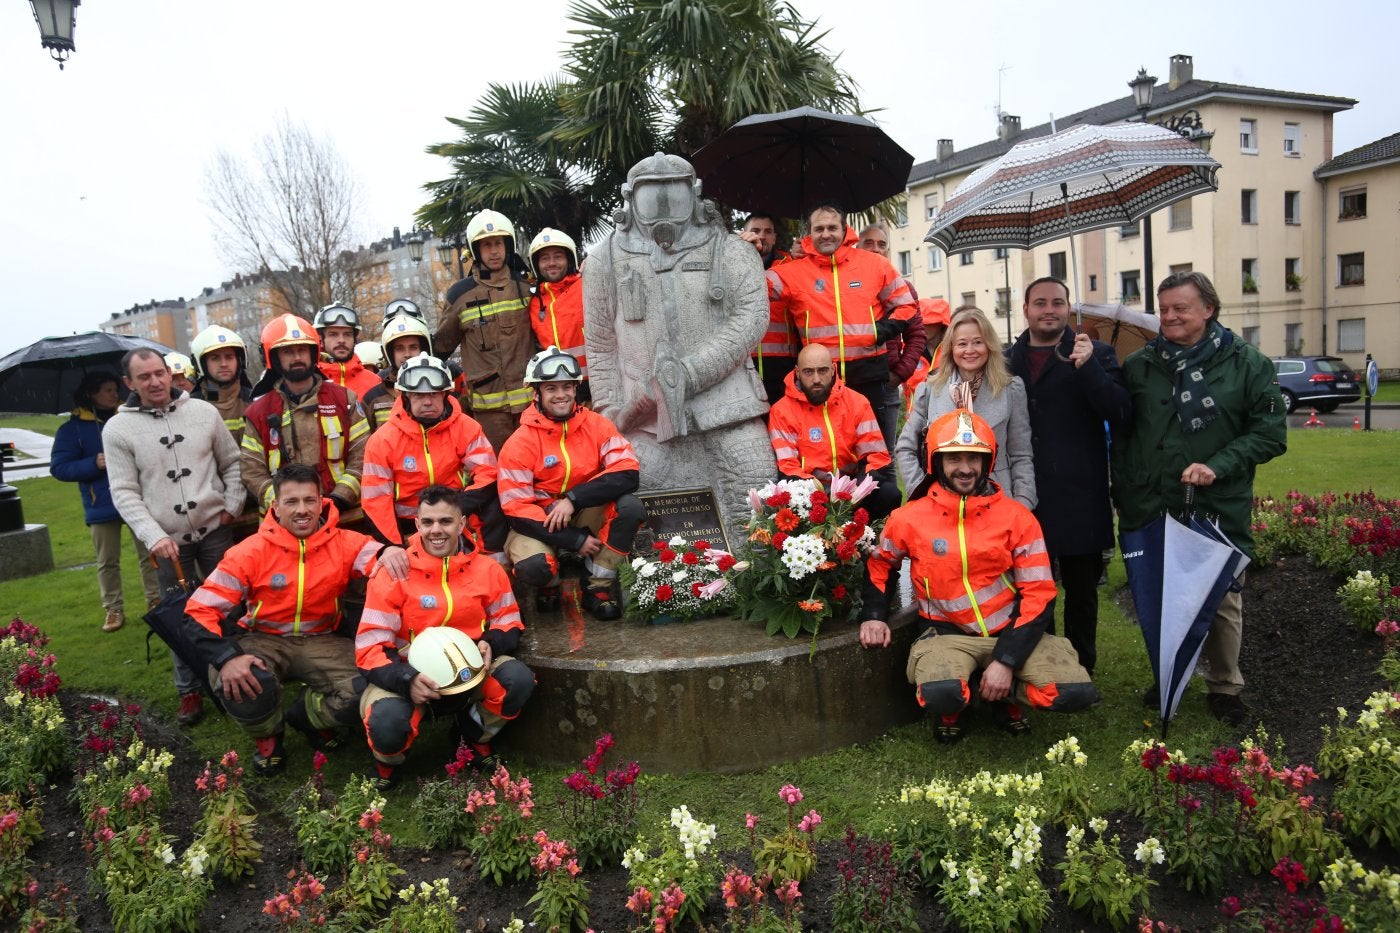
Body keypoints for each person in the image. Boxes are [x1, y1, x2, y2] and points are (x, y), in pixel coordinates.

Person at [859, 409, 1099, 743]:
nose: (966, 468)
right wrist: (874, 616)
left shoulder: (1017, 517)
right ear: (936, 461)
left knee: (1074, 693)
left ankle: (1001, 689)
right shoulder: (908, 518)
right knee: (941, 692)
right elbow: (882, 563)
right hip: (946, 633)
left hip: (1010, 632)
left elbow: (1039, 593)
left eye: (975, 458)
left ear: (988, 461)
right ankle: (958, 701)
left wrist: (1006, 660)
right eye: (954, 458)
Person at [1112, 271, 1286, 726]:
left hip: (1216, 504)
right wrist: (1127, 485)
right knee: (1160, 594)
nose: (1168, 317)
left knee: (1222, 597)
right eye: (1163, 308)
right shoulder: (1141, 365)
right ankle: (1171, 672)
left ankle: (1224, 685)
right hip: (1152, 502)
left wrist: (1219, 464)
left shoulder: (1247, 364)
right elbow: (1124, 432)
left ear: (1208, 309)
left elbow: (1270, 435)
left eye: (1180, 308)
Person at [582, 152, 776, 535]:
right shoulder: (604, 259)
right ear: (630, 198)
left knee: (754, 493)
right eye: (653, 199)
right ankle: (663, 588)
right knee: (643, 504)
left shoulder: (731, 250)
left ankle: (750, 590)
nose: (666, 211)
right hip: (642, 417)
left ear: (695, 194)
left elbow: (750, 319)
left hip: (728, 407)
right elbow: (601, 344)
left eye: (675, 196)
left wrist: (690, 372)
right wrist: (609, 408)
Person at [182, 464, 409, 775]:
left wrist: (390, 553)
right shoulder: (249, 551)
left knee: (369, 684)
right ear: (275, 506)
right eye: (291, 502)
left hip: (322, 639)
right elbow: (198, 612)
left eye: (309, 500)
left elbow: (379, 559)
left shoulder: (345, 542)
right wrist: (227, 658)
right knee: (245, 680)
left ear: (322, 502)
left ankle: (306, 714)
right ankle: (268, 738)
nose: (302, 510)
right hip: (262, 639)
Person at [357, 485, 533, 788]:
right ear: (417, 524)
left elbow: (509, 622)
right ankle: (387, 764)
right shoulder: (393, 572)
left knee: (518, 680)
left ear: (462, 524)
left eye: (446, 522)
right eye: (427, 522)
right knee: (386, 724)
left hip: (470, 671)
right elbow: (369, 647)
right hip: (407, 677)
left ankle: (472, 735)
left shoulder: (488, 569)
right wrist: (407, 679)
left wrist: (491, 643)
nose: (435, 530)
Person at [104, 347, 243, 726]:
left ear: (170, 373)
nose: (155, 382)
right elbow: (124, 492)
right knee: (179, 616)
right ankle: (189, 691)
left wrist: (233, 500)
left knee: (229, 609)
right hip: (167, 541)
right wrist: (152, 536)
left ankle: (235, 682)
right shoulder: (117, 429)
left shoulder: (203, 412)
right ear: (129, 383)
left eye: (159, 373)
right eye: (144, 377)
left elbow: (232, 462)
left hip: (215, 529)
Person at [1006, 277, 1132, 675]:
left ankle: (1081, 668)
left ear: (1069, 309)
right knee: (1034, 590)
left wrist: (1089, 367)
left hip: (1080, 492)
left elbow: (1121, 412)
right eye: (1040, 303)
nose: (1049, 310)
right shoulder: (1005, 360)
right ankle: (1045, 666)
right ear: (1025, 309)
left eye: (1057, 303)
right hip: (1026, 494)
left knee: (1081, 591)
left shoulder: (1097, 354)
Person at [497, 348, 643, 618]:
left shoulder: (598, 425)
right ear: (536, 394)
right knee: (533, 566)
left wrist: (572, 499)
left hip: (584, 510)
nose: (561, 394)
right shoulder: (518, 443)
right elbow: (516, 510)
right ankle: (549, 585)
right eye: (551, 388)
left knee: (630, 508)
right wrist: (573, 540)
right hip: (539, 520)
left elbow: (628, 473)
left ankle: (597, 586)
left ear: (576, 389)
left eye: (567, 386)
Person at [767, 202, 917, 451]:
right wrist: (749, 251)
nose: (826, 234)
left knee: (875, 455)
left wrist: (882, 331)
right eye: (819, 228)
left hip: (868, 375)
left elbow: (907, 305)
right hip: (820, 379)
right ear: (809, 234)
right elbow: (752, 288)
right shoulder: (791, 272)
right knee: (825, 452)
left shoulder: (875, 264)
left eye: (832, 227)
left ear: (844, 230)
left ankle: (878, 492)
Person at [49, 371, 161, 633]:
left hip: (137, 499)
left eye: (115, 389)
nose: (114, 394)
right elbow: (60, 468)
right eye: (108, 390)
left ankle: (155, 600)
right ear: (92, 393)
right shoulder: (71, 429)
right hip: (101, 505)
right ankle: (113, 608)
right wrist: (93, 463)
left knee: (149, 552)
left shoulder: (128, 419)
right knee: (107, 560)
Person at [361, 353, 506, 553]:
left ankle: (488, 559)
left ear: (446, 394)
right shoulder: (382, 440)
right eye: (419, 395)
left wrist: (454, 507)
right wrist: (394, 547)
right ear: (405, 396)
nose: (428, 402)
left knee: (496, 498)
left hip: (454, 511)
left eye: (434, 394)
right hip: (408, 522)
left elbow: (487, 474)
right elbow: (376, 501)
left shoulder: (466, 427)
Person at [896, 306, 1036, 508]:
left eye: (978, 342)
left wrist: (1023, 504)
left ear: (989, 345)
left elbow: (1021, 455)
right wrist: (921, 493)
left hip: (998, 501)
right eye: (962, 344)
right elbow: (905, 447)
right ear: (951, 348)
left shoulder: (1011, 389)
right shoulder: (929, 390)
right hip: (942, 502)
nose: (970, 350)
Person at [242, 313, 371, 525]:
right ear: (273, 357)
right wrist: (286, 506)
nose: (297, 358)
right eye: (288, 352)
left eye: (302, 350)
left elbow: (364, 457)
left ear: (314, 352)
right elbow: (252, 471)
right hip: (284, 526)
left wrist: (338, 500)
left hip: (344, 520)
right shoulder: (259, 412)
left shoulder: (344, 400)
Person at [432, 209, 536, 453]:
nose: (494, 251)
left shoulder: (526, 286)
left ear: (507, 245)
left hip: (532, 407)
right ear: (476, 250)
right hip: (489, 414)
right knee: (495, 473)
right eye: (486, 245)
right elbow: (439, 350)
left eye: (498, 243)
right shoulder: (460, 295)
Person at [767, 343, 900, 522]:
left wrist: (855, 492)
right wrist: (820, 496)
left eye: (822, 371)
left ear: (833, 369)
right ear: (797, 372)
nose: (816, 379)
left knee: (889, 493)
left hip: (852, 489)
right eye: (808, 372)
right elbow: (788, 467)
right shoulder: (781, 411)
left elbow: (876, 457)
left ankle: (872, 543)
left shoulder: (858, 402)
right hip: (808, 493)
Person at [856, 222, 927, 445]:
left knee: (885, 456)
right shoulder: (845, 288)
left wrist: (899, 374)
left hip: (886, 383)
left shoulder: (902, 288)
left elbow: (917, 335)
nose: (876, 249)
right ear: (856, 248)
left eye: (882, 244)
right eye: (869, 243)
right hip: (851, 382)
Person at [190, 324, 258, 540]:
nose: (224, 363)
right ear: (202, 365)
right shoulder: (191, 409)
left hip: (256, 505)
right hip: (213, 514)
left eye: (229, 356)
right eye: (215, 358)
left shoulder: (255, 401)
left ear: (240, 359)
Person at [526, 228, 590, 403]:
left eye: (558, 256)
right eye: (545, 258)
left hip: (595, 388)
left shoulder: (587, 286)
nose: (551, 263)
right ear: (536, 264)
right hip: (559, 394)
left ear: (569, 260)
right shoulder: (533, 302)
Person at [739, 212, 797, 402]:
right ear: (743, 233)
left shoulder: (791, 266)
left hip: (784, 365)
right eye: (756, 230)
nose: (762, 235)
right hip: (744, 364)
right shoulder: (731, 264)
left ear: (775, 237)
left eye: (768, 231)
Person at [362, 310, 435, 432]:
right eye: (399, 348)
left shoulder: (440, 390)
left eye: (413, 347)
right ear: (390, 354)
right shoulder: (373, 398)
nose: (407, 354)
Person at [314, 303, 383, 401]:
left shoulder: (374, 382)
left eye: (347, 334)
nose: (341, 340)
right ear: (320, 340)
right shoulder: (310, 382)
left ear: (355, 339)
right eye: (333, 334)